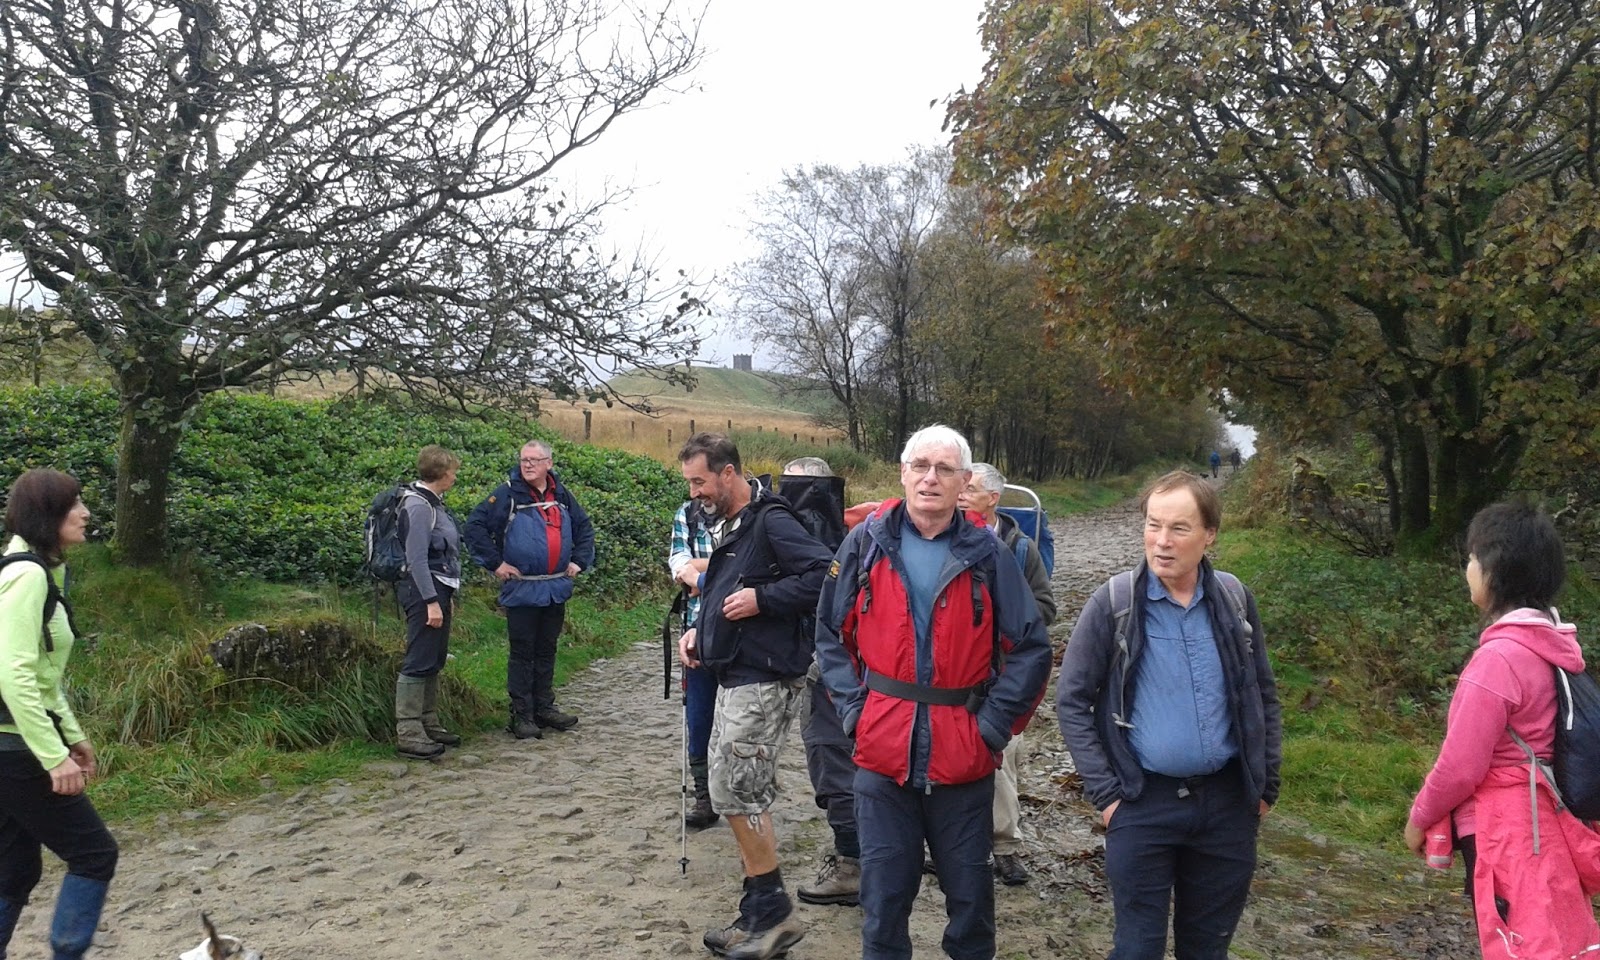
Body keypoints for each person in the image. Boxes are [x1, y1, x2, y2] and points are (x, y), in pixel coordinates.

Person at [816, 425, 1052, 960]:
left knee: (971, 905)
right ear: (902, 473)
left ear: (964, 482)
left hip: (963, 758)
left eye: (945, 470)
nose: (930, 478)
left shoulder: (989, 554)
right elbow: (829, 635)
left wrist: (991, 727)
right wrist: (856, 712)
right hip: (881, 756)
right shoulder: (865, 542)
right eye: (920, 466)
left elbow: (1032, 646)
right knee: (883, 904)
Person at [1056, 470, 1280, 960]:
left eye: (1179, 528)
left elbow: (1261, 694)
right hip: (1141, 804)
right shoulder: (1114, 603)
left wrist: (1265, 785)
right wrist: (1107, 795)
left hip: (1226, 806)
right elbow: (1071, 701)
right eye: (1153, 525)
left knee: (1208, 949)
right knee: (1137, 948)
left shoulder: (1234, 600)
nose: (1161, 541)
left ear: (1210, 534)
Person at [1406, 502, 1600, 959]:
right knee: (1554, 939)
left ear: (1495, 567)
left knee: (1518, 945)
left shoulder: (1497, 661)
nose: (1468, 568)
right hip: (1550, 821)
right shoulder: (1555, 647)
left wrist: (1418, 819)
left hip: (1506, 831)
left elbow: (1460, 766)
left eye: (1473, 558)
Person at [675, 433, 832, 960]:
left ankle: (774, 917)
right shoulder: (734, 524)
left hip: (765, 681)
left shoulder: (772, 519)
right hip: (736, 674)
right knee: (732, 789)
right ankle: (758, 910)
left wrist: (765, 599)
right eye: (690, 483)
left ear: (728, 472)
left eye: (700, 481)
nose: (695, 492)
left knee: (737, 790)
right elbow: (727, 592)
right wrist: (702, 632)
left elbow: (828, 573)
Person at [0, 469, 118, 960]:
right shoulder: (26, 575)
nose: (86, 513)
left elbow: (45, 674)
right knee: (94, 853)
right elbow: (13, 674)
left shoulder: (37, 570)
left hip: (12, 743)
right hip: (16, 749)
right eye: (75, 504)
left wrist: (73, 735)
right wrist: (53, 756)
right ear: (47, 513)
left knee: (13, 870)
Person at [957, 463, 1058, 887]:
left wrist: (1003, 616)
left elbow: (1047, 609)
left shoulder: (1020, 549)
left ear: (993, 498)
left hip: (1002, 674)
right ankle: (956, 846)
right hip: (955, 672)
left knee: (1000, 762)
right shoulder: (945, 538)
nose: (961, 495)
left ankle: (1005, 848)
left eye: (971, 489)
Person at [465, 440, 595, 739]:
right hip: (522, 590)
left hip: (555, 588)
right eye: (524, 460)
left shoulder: (562, 495)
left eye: (534, 460)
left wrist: (579, 560)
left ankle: (544, 708)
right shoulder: (507, 494)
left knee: (547, 649)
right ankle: (521, 714)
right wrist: (496, 564)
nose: (527, 465)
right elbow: (475, 527)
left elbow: (584, 528)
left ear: (549, 463)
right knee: (523, 652)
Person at [777, 457, 860, 908]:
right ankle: (865, 858)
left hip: (832, 668)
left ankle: (852, 865)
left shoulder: (785, 534)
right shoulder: (860, 533)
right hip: (854, 668)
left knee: (831, 757)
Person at [393, 445, 464, 761]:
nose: (455, 476)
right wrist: (432, 602)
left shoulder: (433, 503)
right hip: (425, 590)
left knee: (434, 656)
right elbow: (417, 559)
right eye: (453, 471)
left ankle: (428, 721)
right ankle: (408, 730)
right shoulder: (420, 506)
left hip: (439, 588)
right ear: (443, 473)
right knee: (419, 657)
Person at [668, 495, 719, 828]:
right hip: (694, 631)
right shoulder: (687, 513)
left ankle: (742, 787)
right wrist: (705, 570)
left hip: (746, 632)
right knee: (698, 715)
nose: (696, 490)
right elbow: (678, 562)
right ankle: (704, 794)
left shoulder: (753, 513)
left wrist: (701, 571)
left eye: (701, 481)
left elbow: (747, 567)